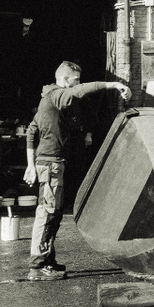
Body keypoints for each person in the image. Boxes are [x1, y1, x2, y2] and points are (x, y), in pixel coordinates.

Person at [24, 61, 129, 281]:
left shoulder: (47, 99)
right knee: (48, 213)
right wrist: (112, 85)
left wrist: (31, 165)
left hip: (49, 163)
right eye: (76, 80)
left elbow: (32, 130)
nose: (78, 84)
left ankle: (47, 260)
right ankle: (37, 266)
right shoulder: (57, 95)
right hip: (51, 164)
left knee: (53, 213)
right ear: (65, 80)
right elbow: (78, 92)